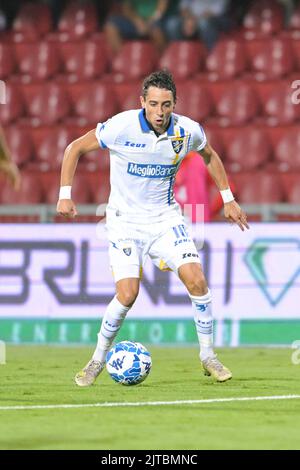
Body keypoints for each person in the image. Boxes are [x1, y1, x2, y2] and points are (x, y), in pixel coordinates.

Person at [57, 70, 249, 387]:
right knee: (128, 294)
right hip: (124, 221)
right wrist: (65, 195)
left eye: (167, 105)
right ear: (142, 102)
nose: (160, 112)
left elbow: (209, 155)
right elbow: (74, 148)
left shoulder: (187, 131)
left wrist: (228, 199)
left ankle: (208, 356)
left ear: (174, 104)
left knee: (197, 279)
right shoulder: (120, 127)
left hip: (165, 219)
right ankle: (96, 360)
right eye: (154, 104)